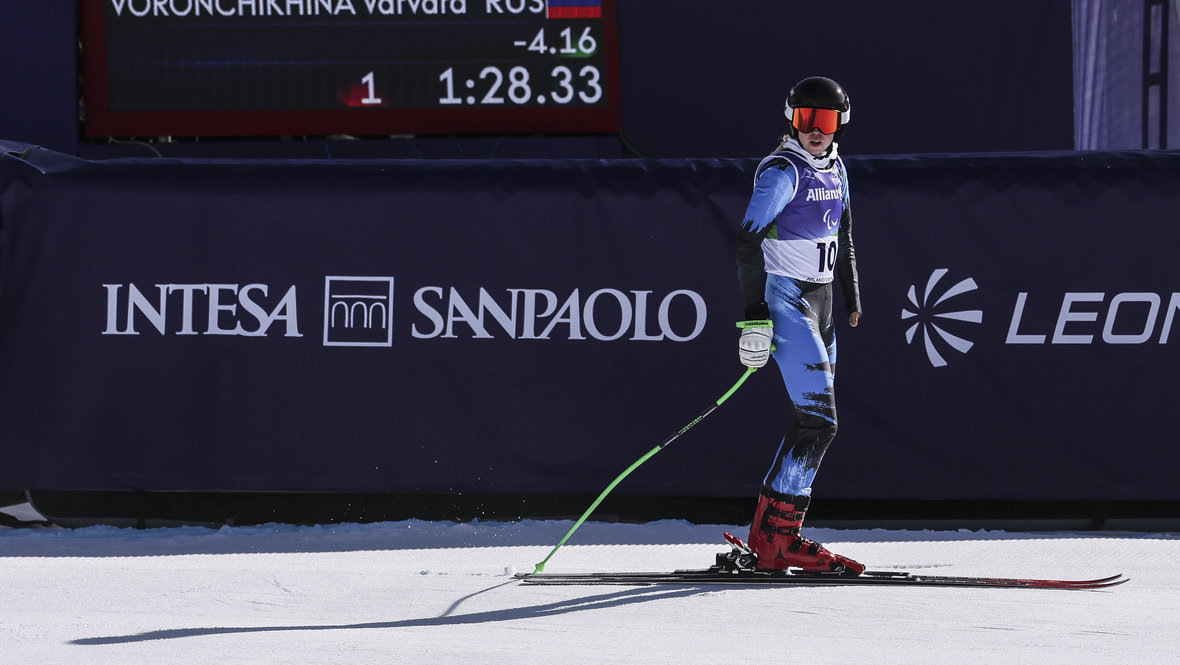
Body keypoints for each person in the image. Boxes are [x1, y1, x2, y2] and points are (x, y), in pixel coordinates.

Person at [734, 76, 864, 575]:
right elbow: (747, 243)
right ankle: (779, 541)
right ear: (792, 120)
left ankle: (769, 539)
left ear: (839, 125)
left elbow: (844, 230)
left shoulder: (835, 167)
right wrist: (754, 318)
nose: (815, 130)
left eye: (825, 121)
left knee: (808, 420)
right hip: (787, 299)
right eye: (806, 119)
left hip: (823, 301)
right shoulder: (783, 170)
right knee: (819, 421)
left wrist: (851, 295)